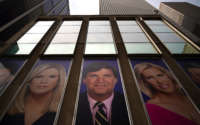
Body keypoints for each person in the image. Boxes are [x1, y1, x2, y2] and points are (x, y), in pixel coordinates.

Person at [134, 62, 200, 125]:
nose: (159, 81)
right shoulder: (151, 109)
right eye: (150, 78)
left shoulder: (192, 96)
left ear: (168, 75)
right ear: (145, 83)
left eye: (160, 75)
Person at [1, 63, 67, 125]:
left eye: (52, 77)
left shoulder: (62, 111)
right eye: (38, 76)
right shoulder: (9, 101)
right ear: (30, 80)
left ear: (59, 81)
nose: (43, 81)